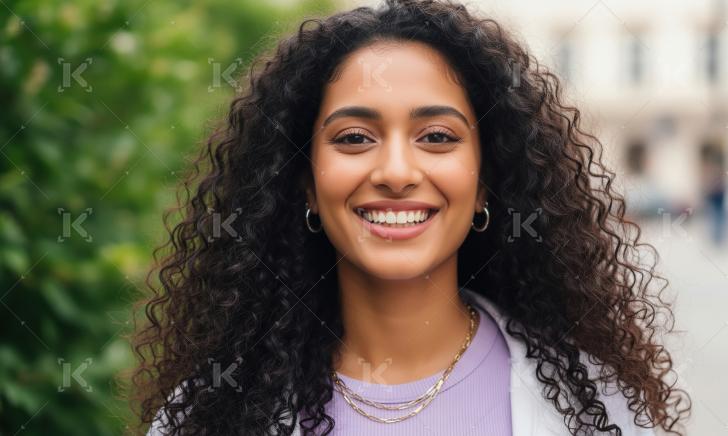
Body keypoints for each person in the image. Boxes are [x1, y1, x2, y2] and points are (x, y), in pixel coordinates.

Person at [130, 1, 691, 435]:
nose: (396, 171)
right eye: (354, 138)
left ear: (484, 184)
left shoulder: (600, 406)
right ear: (304, 181)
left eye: (437, 137)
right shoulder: (208, 414)